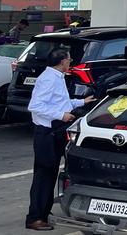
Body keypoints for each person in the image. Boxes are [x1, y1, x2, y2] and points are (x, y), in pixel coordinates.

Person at [25, 48, 96, 230]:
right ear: (62, 62)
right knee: (44, 174)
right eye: (69, 60)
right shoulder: (49, 79)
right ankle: (35, 217)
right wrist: (60, 115)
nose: (70, 63)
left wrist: (81, 102)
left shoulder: (56, 77)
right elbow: (35, 106)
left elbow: (60, 102)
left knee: (51, 173)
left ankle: (43, 212)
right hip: (46, 133)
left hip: (54, 131)